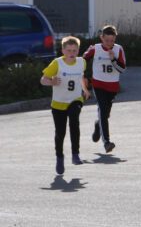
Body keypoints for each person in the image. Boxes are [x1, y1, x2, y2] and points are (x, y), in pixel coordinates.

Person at [40, 36, 90, 175]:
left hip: (75, 99)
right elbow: (43, 80)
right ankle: (60, 158)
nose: (71, 53)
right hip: (58, 102)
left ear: (78, 50)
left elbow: (81, 77)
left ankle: (75, 154)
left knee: (74, 122)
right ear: (63, 50)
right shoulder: (57, 63)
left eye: (74, 50)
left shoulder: (82, 62)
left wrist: (85, 90)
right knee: (60, 133)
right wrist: (52, 82)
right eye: (68, 50)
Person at [83, 25, 126, 154]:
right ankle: (107, 142)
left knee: (105, 115)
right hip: (98, 85)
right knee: (102, 110)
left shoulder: (118, 50)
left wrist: (113, 59)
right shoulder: (95, 49)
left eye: (112, 41)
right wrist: (83, 77)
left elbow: (122, 69)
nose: (109, 43)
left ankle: (98, 126)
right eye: (107, 40)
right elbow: (82, 61)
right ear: (102, 38)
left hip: (112, 87)